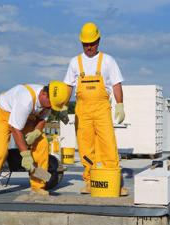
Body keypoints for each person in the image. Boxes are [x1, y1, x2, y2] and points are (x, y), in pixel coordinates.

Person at [0, 81, 70, 200]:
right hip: (2, 115)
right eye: (49, 104)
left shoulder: (49, 101)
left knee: (41, 144)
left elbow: (42, 119)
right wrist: (25, 155)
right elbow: (15, 129)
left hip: (25, 116)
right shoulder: (25, 100)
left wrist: (36, 133)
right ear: (44, 93)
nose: (49, 107)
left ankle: (37, 187)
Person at [63, 22, 128, 196]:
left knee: (108, 145)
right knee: (86, 147)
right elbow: (68, 86)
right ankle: (90, 181)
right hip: (82, 111)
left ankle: (115, 182)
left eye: (92, 43)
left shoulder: (108, 61)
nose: (89, 47)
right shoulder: (75, 63)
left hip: (102, 110)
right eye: (85, 43)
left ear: (98, 41)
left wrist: (120, 104)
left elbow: (116, 84)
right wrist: (62, 105)